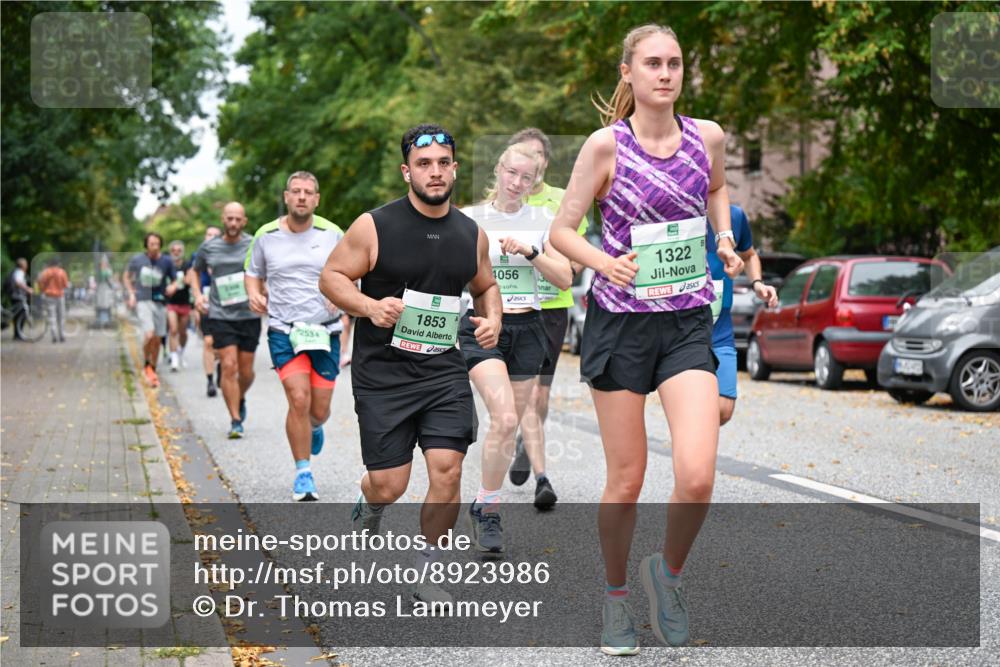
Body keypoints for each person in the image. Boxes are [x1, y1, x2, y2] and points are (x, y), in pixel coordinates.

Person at [549, 24, 744, 655]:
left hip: (687, 320)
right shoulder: (606, 147)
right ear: (628, 73)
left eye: (675, 64)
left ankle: (667, 574)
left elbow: (716, 188)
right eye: (653, 64)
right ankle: (615, 603)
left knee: (696, 474)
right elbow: (563, 231)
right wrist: (604, 263)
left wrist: (722, 238)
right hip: (621, 324)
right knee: (627, 479)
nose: (666, 73)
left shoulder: (706, 136)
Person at [320, 124, 501, 607]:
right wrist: (368, 307)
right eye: (424, 164)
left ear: (455, 168)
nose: (435, 171)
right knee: (390, 483)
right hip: (383, 375)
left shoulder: (470, 233)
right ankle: (370, 500)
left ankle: (428, 571)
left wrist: (493, 321)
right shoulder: (374, 226)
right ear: (407, 171)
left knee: (447, 468)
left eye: (443, 162)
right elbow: (332, 276)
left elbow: (485, 286)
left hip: (443, 369)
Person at [461, 142, 573, 551]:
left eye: (527, 177)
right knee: (506, 419)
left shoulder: (544, 220)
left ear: (536, 182)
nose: (517, 182)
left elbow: (564, 277)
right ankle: (489, 510)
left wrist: (532, 251)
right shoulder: (470, 219)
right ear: (498, 168)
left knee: (508, 423)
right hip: (482, 324)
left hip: (528, 327)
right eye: (512, 173)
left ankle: (484, 505)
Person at [504, 128, 590, 510]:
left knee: (540, 393)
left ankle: (527, 438)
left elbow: (575, 255)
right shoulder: (503, 201)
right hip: (515, 307)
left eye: (536, 156)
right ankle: (539, 467)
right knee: (525, 388)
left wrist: (553, 261)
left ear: (545, 163)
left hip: (553, 304)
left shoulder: (562, 201)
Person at [245, 172, 345, 501]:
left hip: (325, 330)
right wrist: (254, 295)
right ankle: (303, 472)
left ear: (317, 199)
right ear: (286, 197)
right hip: (284, 329)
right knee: (298, 399)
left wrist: (341, 295)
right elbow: (252, 273)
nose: (301, 197)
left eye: (308, 192)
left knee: (319, 410)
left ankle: (314, 427)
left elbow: (352, 271)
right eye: (296, 192)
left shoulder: (333, 234)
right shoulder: (266, 235)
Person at [191, 203, 260, 439]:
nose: (232, 223)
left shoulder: (253, 244)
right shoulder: (209, 247)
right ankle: (235, 420)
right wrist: (198, 295)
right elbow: (194, 271)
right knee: (229, 366)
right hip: (220, 314)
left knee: (247, 372)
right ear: (223, 219)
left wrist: (263, 291)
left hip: (248, 314)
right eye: (229, 218)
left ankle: (239, 396)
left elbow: (266, 271)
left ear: (244, 221)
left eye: (237, 219)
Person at [707, 205, 778, 425]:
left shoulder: (734, 216)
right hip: (679, 325)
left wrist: (757, 283)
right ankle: (692, 452)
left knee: (724, 409)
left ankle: (693, 448)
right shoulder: (677, 208)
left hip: (719, 324)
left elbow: (749, 255)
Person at [124, 233, 177, 388]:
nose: (154, 247)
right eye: (151, 244)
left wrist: (173, 286)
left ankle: (152, 367)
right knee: (149, 334)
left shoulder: (166, 261)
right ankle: (146, 364)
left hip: (160, 301)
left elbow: (174, 279)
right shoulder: (137, 260)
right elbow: (126, 276)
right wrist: (132, 293)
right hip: (143, 300)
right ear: (146, 245)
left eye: (157, 244)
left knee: (158, 338)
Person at [193, 226, 223, 396]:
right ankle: (210, 381)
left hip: (226, 304)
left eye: (215, 235)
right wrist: (196, 299)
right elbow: (192, 277)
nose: (211, 237)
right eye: (209, 234)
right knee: (208, 342)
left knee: (223, 346)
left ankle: (220, 365)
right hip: (206, 304)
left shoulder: (228, 253)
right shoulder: (198, 255)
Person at [165, 240, 193, 371]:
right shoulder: (167, 265)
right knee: (173, 330)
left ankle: (180, 351)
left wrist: (176, 284)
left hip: (185, 303)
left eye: (179, 250)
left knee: (183, 333)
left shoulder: (187, 265)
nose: (176, 253)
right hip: (171, 303)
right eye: (173, 250)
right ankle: (174, 359)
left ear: (182, 252)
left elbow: (189, 280)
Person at [37, 258, 70, 343]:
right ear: (58, 264)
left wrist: (43, 290)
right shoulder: (62, 272)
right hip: (60, 296)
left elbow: (40, 282)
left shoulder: (46, 272)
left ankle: (54, 336)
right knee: (61, 316)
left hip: (49, 296)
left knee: (52, 316)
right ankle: (62, 335)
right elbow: (66, 284)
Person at [9, 258, 32, 340]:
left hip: (16, 296)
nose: (27, 266)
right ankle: (18, 334)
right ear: (22, 265)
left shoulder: (16, 272)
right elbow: (18, 283)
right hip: (18, 296)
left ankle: (17, 334)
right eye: (26, 264)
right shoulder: (19, 272)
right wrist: (28, 289)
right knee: (21, 315)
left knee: (18, 315)